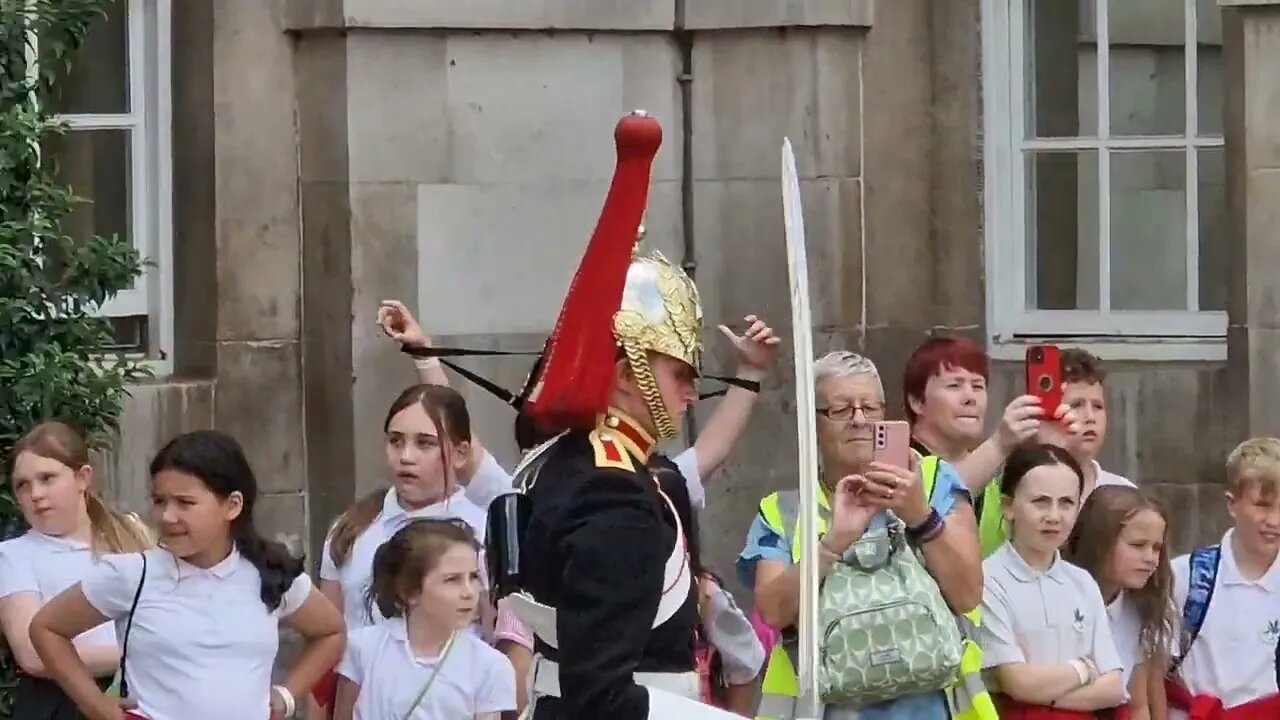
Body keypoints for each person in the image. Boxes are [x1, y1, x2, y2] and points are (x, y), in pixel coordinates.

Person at [29, 430, 346, 720]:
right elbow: (47, 629)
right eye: (159, 501)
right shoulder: (132, 575)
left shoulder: (271, 573)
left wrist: (287, 696)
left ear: (232, 506)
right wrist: (96, 706)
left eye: (185, 503)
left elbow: (331, 632)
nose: (167, 517)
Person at [744, 351, 986, 720]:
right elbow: (774, 611)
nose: (859, 420)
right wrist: (832, 543)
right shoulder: (784, 511)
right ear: (811, 424)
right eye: (841, 410)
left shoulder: (934, 481)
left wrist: (919, 515)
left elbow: (968, 594)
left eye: (870, 408)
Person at [0, 422, 153, 719]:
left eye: (47, 478)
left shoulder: (132, 534)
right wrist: (141, 654)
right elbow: (33, 656)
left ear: (82, 477)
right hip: (61, 705)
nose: (36, 494)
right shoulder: (12, 555)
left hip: (146, 698)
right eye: (23, 484)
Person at [320, 384, 488, 631]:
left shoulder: (483, 532)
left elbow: (506, 638)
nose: (406, 456)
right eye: (396, 441)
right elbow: (328, 632)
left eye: (424, 443)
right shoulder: (351, 528)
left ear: (460, 454)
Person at [977, 443, 1126, 718]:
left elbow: (1114, 686)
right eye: (1040, 502)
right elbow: (1016, 682)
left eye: (1066, 503)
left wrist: (1045, 695)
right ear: (1008, 506)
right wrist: (1085, 669)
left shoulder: (1081, 582)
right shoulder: (987, 580)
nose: (1054, 516)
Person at [902, 335, 1082, 556]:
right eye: (954, 385)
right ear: (917, 402)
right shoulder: (896, 462)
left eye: (978, 386)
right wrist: (1000, 444)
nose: (970, 397)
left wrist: (1051, 449)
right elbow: (939, 503)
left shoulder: (995, 479)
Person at [333, 519, 516, 720]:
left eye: (473, 577)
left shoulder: (490, 666)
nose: (470, 592)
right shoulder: (363, 648)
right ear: (409, 591)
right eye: (452, 580)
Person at [1165, 437, 1280, 719]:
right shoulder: (1186, 577)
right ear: (1232, 504)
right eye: (1262, 505)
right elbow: (1150, 672)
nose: (1274, 520)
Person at [1066, 486, 1176, 719]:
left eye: (1157, 548)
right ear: (1098, 541)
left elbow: (1138, 705)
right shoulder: (1060, 600)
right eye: (1137, 545)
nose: (1150, 559)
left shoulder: (1137, 609)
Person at [1059, 349, 1135, 499]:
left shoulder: (1124, 494)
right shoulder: (1019, 489)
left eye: (1098, 406)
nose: (1090, 417)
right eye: (1076, 405)